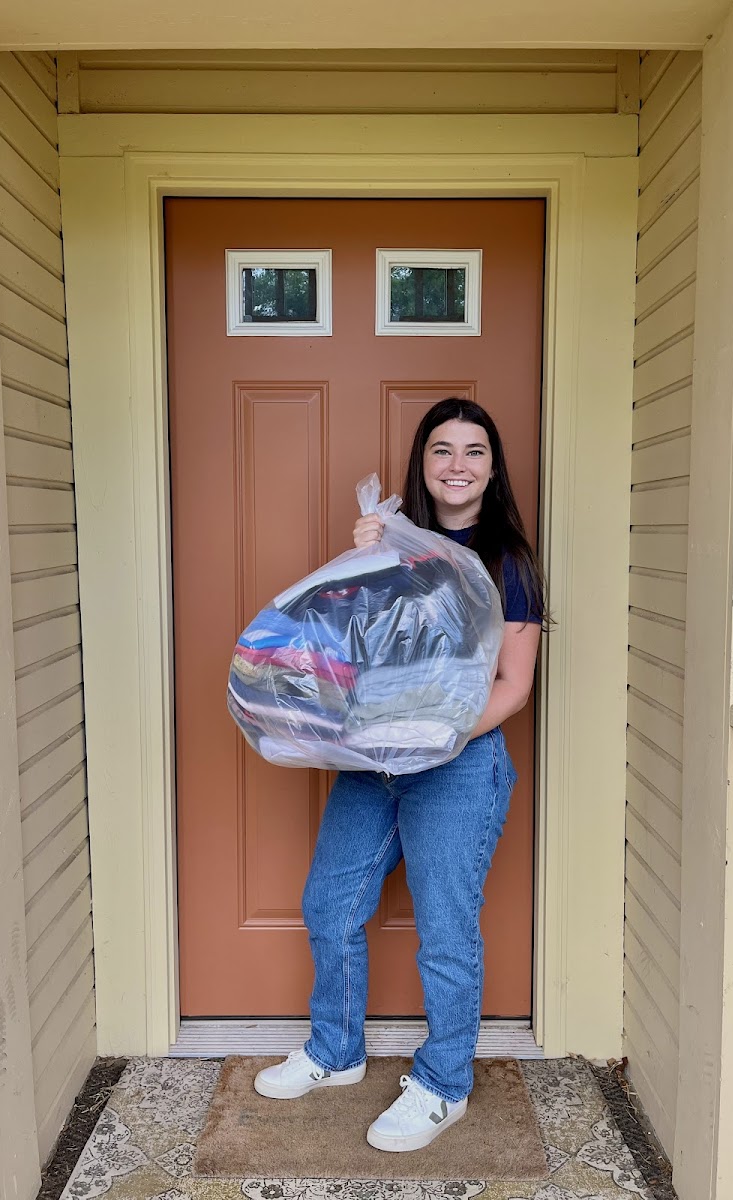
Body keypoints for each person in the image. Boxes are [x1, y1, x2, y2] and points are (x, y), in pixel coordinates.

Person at [253, 398, 548, 1152]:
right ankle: (335, 1052)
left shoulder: (508, 559)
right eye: (441, 450)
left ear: (493, 466)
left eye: (474, 451)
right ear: (422, 464)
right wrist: (363, 560)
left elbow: (513, 685)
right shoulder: (392, 546)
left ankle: (444, 1082)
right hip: (373, 761)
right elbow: (351, 649)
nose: (457, 465)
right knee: (329, 903)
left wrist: (435, 741)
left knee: (446, 929)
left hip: (457, 763)